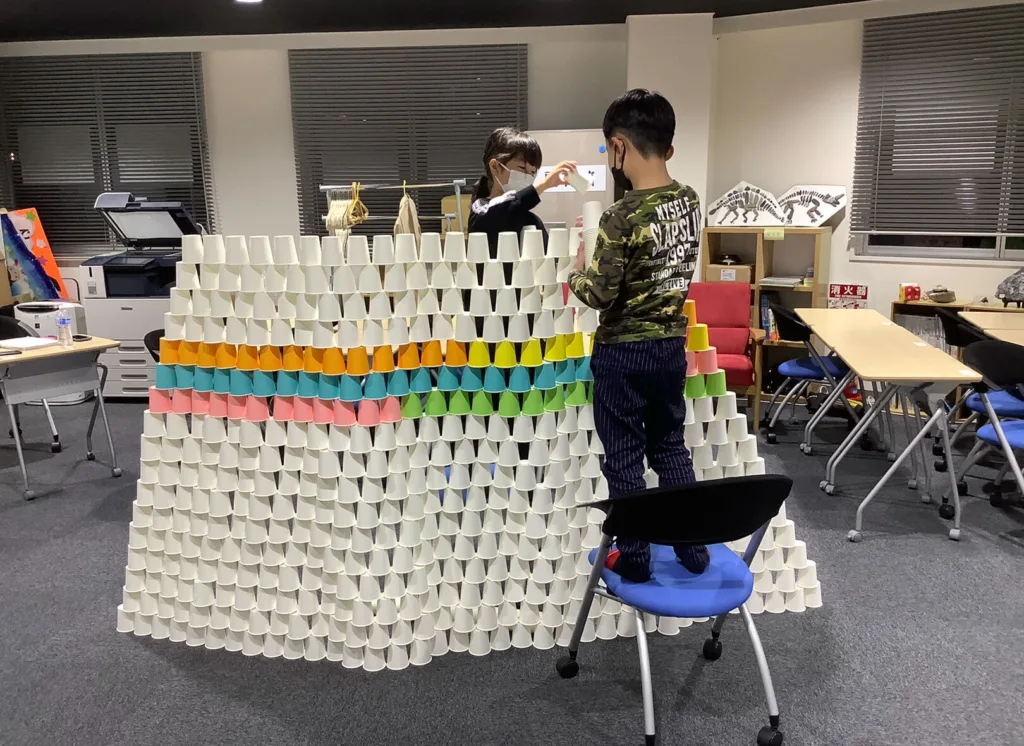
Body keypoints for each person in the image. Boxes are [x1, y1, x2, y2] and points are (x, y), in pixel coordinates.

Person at [567, 89, 705, 584]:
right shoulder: (689, 200)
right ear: (668, 147)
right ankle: (693, 548)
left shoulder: (620, 216)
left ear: (619, 145)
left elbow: (600, 295)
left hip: (623, 353)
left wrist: (576, 270)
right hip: (669, 347)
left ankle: (636, 556)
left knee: (624, 456)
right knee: (670, 446)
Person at [468, 126, 577, 254]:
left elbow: (550, 261)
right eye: (522, 168)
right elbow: (495, 214)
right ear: (495, 167)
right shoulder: (481, 208)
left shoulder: (533, 221)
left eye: (533, 172)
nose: (528, 177)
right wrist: (544, 185)